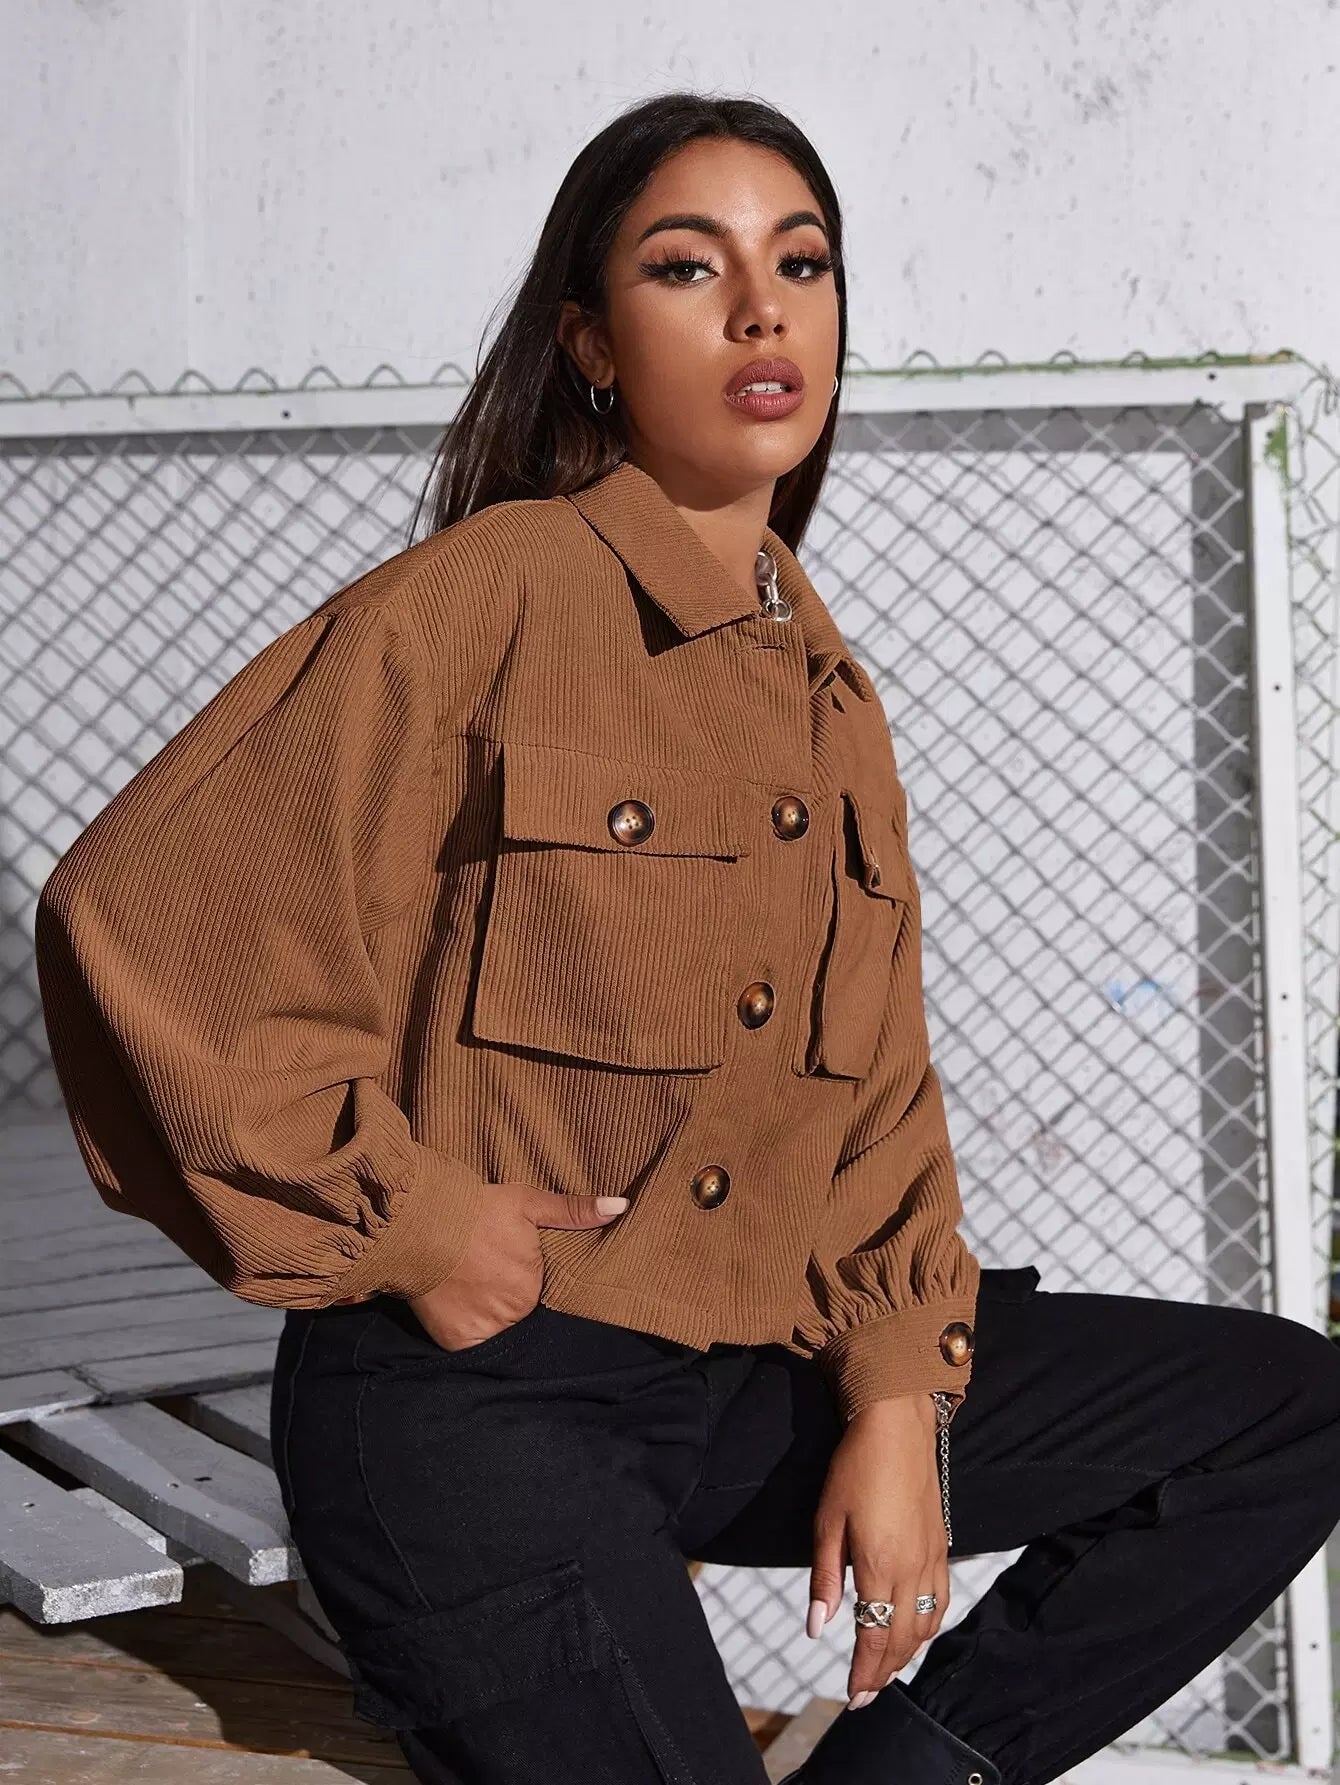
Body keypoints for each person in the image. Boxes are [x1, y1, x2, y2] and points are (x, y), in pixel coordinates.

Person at [34, 91, 1340, 1785]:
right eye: (686, 266)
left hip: (737, 1377)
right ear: (589, 341)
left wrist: (896, 1396)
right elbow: (145, 917)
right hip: (481, 1407)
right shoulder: (494, 593)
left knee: (1279, 1412)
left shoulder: (826, 688)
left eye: (801, 263)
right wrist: (419, 1220)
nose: (760, 311)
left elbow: (879, 1104)